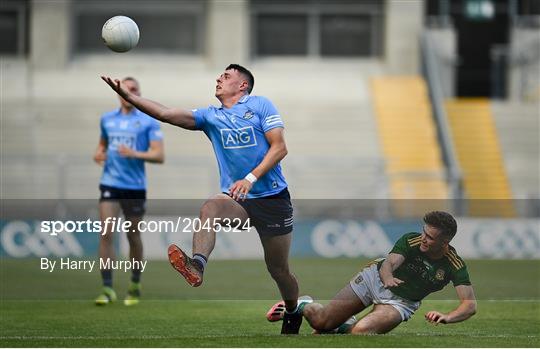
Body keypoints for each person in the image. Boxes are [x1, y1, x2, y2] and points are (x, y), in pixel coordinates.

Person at [101, 64, 302, 334]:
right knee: (210, 207)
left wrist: (249, 178)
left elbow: (280, 147)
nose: (219, 78)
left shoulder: (261, 105)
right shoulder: (210, 116)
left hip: (273, 199)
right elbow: (165, 113)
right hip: (238, 200)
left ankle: (292, 311)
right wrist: (129, 96)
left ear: (243, 85)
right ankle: (197, 265)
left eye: (227, 76)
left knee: (278, 270)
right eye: (220, 75)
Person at [267, 211, 477, 334]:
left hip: (400, 303)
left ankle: (347, 324)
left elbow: (469, 305)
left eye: (430, 237)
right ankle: (304, 304)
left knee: (361, 332)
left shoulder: (454, 264)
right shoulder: (411, 240)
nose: (424, 238)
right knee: (321, 322)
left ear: (445, 242)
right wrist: (387, 279)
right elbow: (389, 263)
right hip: (374, 280)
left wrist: (447, 317)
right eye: (424, 232)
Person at [93, 77, 164, 306]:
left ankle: (134, 283)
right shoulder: (107, 119)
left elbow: (158, 155)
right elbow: (102, 145)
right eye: (126, 88)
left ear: (138, 93)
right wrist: (99, 154)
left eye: (134, 89)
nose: (130, 92)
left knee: (133, 236)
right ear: (118, 91)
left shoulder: (148, 121)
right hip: (110, 184)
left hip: (134, 187)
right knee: (106, 233)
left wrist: (135, 153)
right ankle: (107, 288)